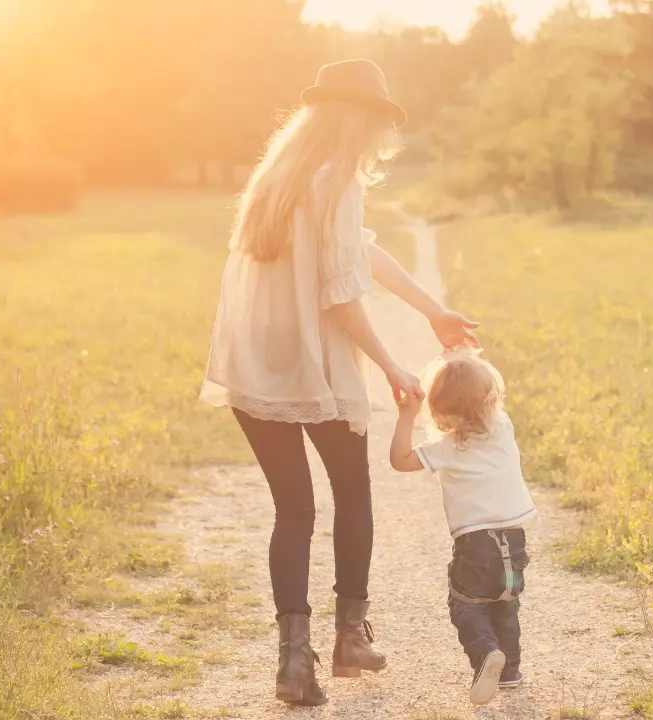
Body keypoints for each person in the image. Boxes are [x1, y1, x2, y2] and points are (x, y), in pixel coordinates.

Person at [200, 59, 479, 707]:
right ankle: (350, 639)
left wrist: (431, 311)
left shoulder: (280, 178)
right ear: (363, 119)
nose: (384, 136)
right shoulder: (338, 182)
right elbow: (343, 295)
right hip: (312, 365)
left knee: (293, 508)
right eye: (381, 122)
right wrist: (389, 364)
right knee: (353, 492)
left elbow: (360, 252)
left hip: (254, 365)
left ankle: (294, 663)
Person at [389, 349, 536, 706]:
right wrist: (464, 355)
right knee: (505, 602)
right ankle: (511, 670)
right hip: (515, 538)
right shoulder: (503, 427)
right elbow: (483, 388)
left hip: (474, 543)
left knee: (466, 603)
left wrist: (406, 415)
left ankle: (486, 653)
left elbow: (399, 461)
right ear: (491, 397)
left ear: (440, 410)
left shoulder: (446, 447)